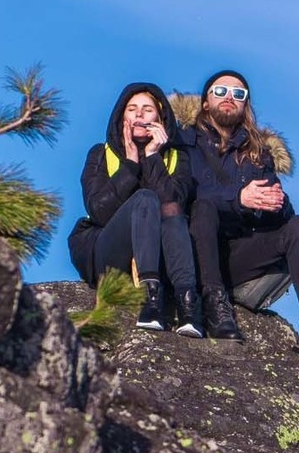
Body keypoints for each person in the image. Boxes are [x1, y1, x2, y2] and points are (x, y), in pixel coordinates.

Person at [183, 69, 299, 363]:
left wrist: (275, 203)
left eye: (238, 94)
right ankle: (214, 306)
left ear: (246, 105)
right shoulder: (184, 144)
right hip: (197, 252)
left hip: (241, 255)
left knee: (298, 226)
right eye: (220, 92)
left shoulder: (258, 153)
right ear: (205, 102)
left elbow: (281, 214)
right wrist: (237, 200)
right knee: (203, 209)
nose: (229, 98)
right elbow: (183, 197)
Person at [66, 81, 205, 334]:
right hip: (109, 253)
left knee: (169, 210)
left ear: (161, 118)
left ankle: (188, 305)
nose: (139, 114)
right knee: (144, 199)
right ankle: (149, 298)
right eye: (132, 109)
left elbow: (174, 207)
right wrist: (129, 165)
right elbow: (99, 211)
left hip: (162, 253)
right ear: (121, 117)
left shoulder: (177, 157)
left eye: (148, 109)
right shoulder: (99, 153)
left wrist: (152, 156)